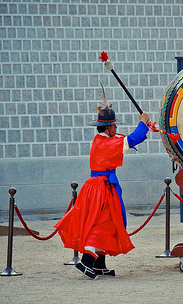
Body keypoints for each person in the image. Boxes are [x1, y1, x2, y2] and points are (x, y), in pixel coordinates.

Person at [54, 100, 152, 280]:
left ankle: (99, 264)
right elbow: (129, 140)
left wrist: (145, 126)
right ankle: (87, 262)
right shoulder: (106, 143)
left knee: (109, 222)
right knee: (103, 223)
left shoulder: (102, 139)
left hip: (101, 186)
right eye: (113, 125)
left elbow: (125, 140)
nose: (115, 128)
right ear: (107, 128)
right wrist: (142, 122)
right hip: (101, 188)